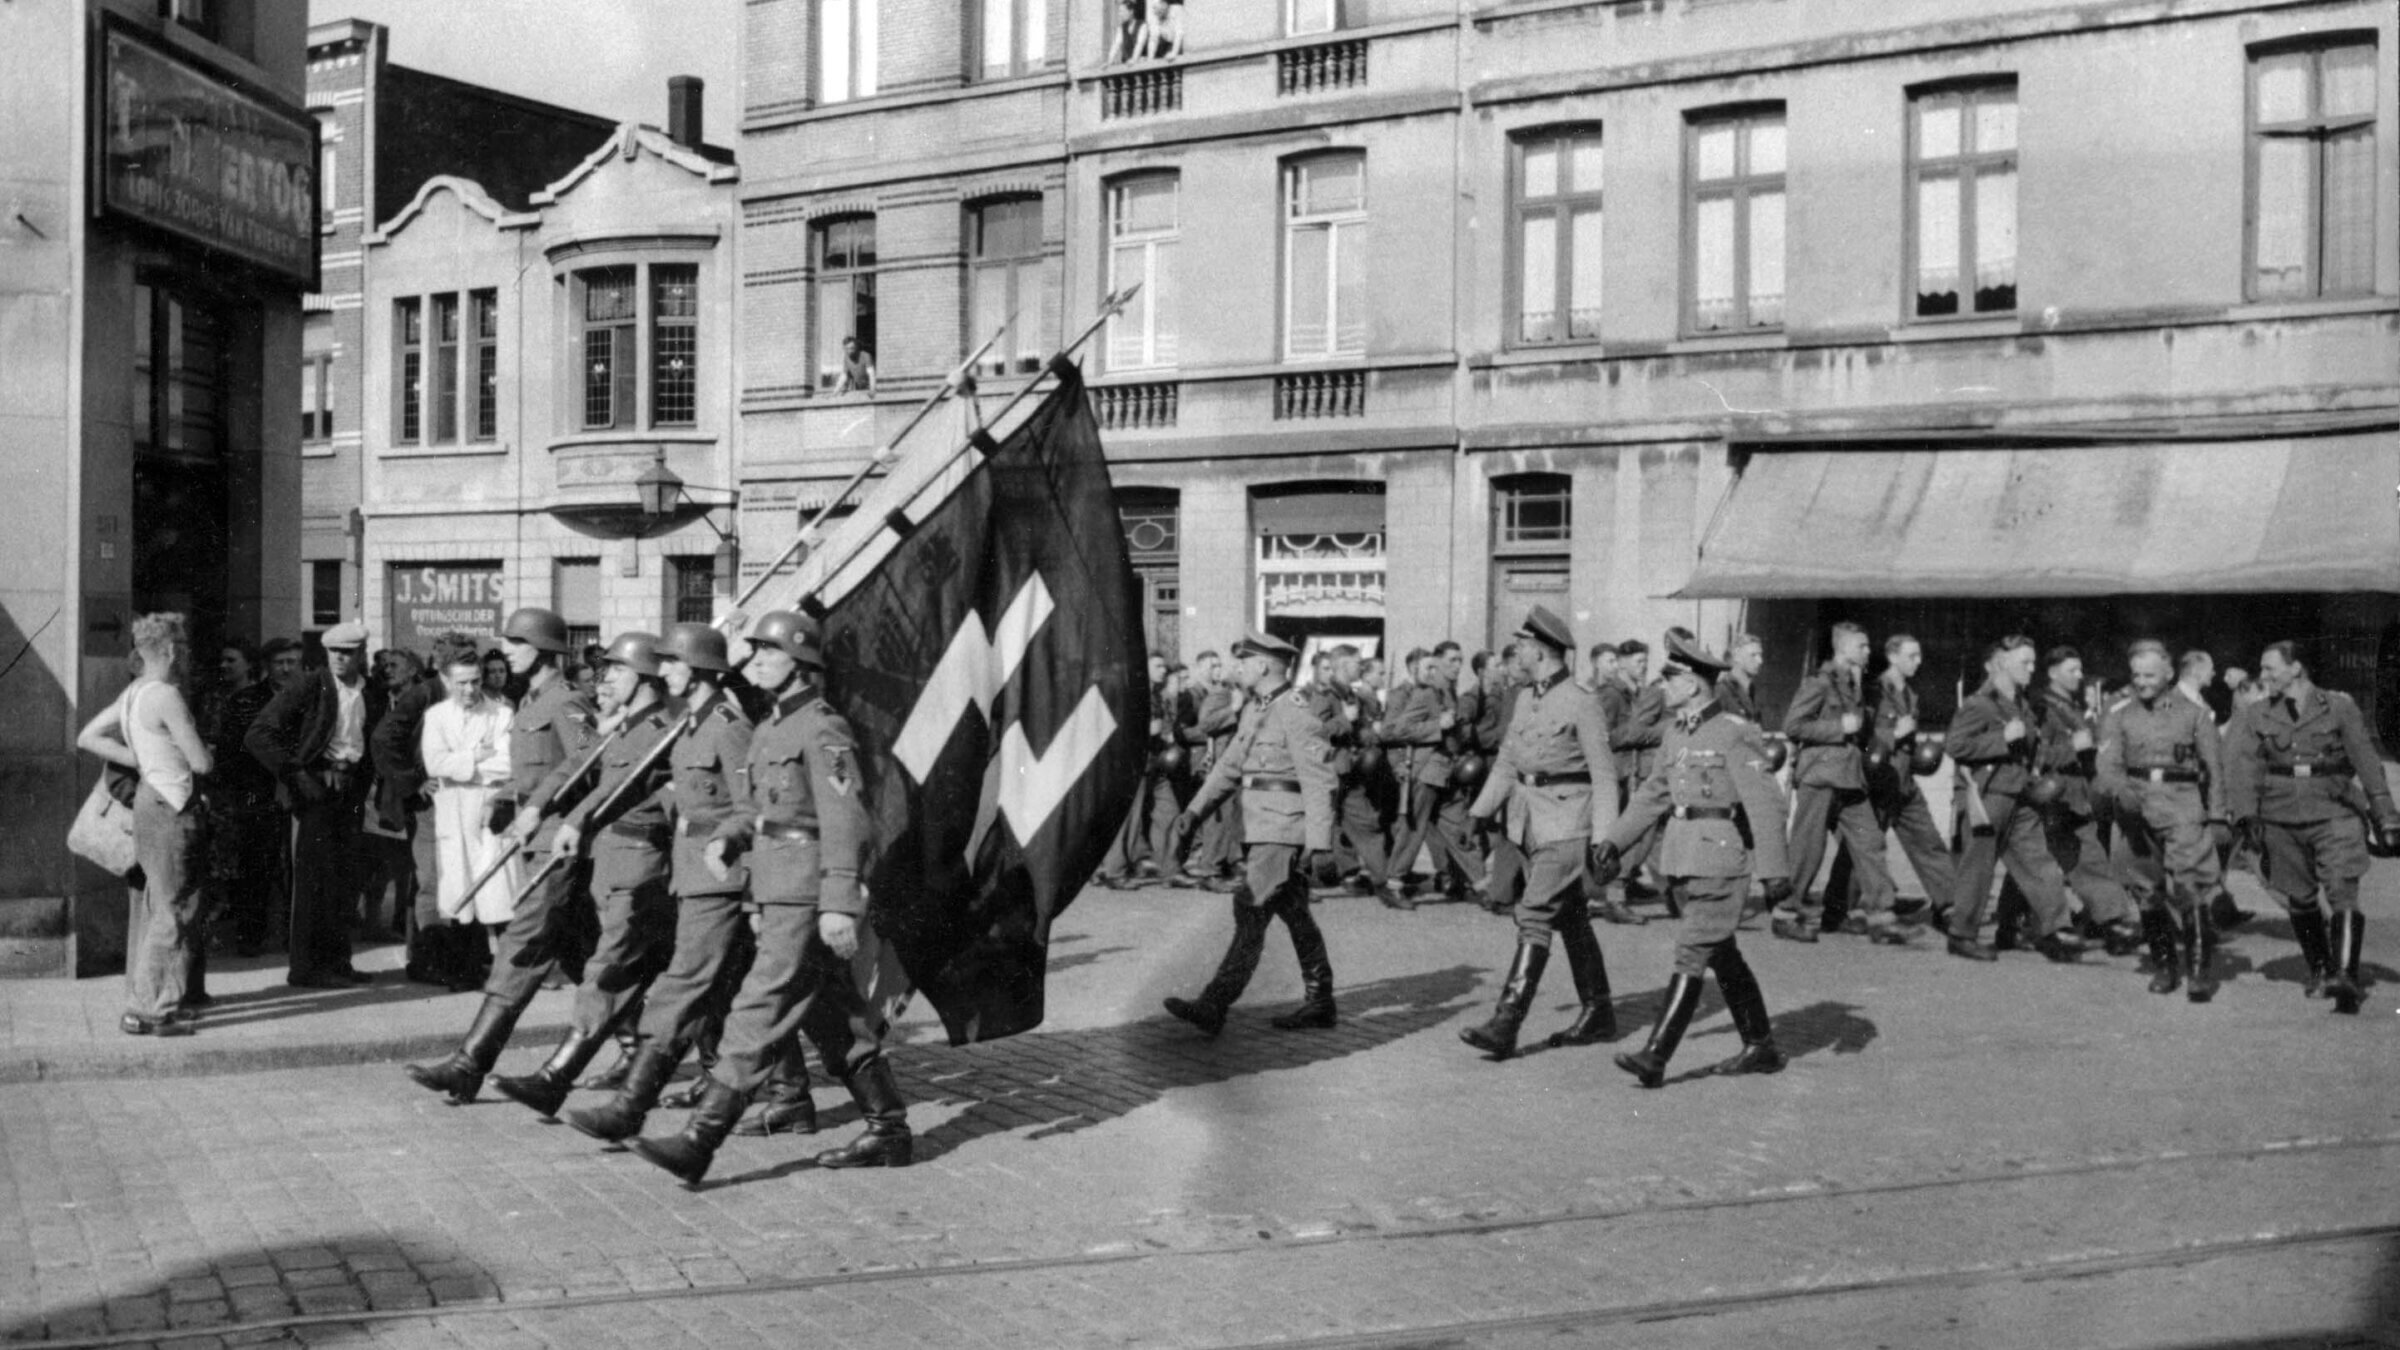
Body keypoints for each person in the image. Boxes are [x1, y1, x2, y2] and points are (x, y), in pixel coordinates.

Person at [629, 610, 907, 1184]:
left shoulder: (821, 727)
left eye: (766, 653)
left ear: (800, 665)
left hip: (807, 890)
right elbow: (756, 809)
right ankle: (889, 1129)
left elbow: (845, 818)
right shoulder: (768, 727)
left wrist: (837, 900)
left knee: (758, 1005)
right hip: (776, 885)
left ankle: (700, 1140)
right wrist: (732, 837)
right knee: (830, 1011)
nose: (753, 662)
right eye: (752, 652)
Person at [566, 622, 820, 1144]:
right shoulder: (689, 723)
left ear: (698, 668)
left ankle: (629, 1108)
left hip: (721, 875)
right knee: (731, 988)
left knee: (682, 984)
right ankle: (792, 1096)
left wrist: (726, 843)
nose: (662, 673)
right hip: (692, 869)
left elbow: (751, 806)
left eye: (672, 664)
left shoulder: (727, 725)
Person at [404, 607, 600, 1104]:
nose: (506, 651)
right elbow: (533, 771)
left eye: (516, 642)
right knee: (585, 955)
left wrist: (534, 805)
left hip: (559, 841)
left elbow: (588, 762)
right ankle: (647, 1050)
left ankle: (469, 1063)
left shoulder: (566, 700)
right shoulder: (531, 701)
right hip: (535, 839)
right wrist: (509, 796)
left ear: (543, 648)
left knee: (521, 943)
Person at [487, 631, 684, 1119]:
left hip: (644, 864)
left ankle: (557, 1078)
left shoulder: (662, 726)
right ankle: (784, 1090)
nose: (604, 679)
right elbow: (581, 772)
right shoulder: (625, 726)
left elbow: (632, 790)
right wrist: (540, 809)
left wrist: (576, 820)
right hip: (615, 862)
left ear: (642, 676)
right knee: (693, 983)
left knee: (612, 971)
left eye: (615, 670)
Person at [1595, 630, 1791, 1088]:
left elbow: (1765, 804)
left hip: (1721, 862)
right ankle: (1760, 1044)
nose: (1662, 686)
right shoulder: (1674, 735)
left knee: (1691, 952)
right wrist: (1613, 842)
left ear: (1692, 685)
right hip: (1682, 858)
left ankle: (1655, 1055)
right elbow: (1651, 796)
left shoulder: (1734, 733)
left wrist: (1775, 873)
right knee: (1721, 954)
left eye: (1670, 678)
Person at [1161, 631, 1341, 1035]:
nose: (1237, 668)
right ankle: (1321, 1000)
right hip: (1261, 828)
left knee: (1250, 910)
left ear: (1262, 666)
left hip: (1281, 830)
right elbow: (1228, 768)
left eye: (1243, 661)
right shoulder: (1254, 710)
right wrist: (1193, 812)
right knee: (1295, 913)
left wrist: (1320, 842)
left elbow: (1319, 781)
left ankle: (1214, 1003)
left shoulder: (1295, 711)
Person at [1461, 607, 1619, 1058]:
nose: (1519, 653)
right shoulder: (1526, 697)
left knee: (1532, 914)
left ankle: (1506, 1022)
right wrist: (1479, 813)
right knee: (1569, 917)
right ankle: (1599, 1011)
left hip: (1569, 823)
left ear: (1543, 651)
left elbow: (1605, 776)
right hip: (1529, 822)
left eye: (1525, 646)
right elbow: (1509, 761)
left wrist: (1605, 839)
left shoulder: (1581, 701)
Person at [2221, 640, 2399, 1015]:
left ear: (2296, 667)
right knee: (2299, 896)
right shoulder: (2258, 715)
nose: (2264, 676)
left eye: (2270, 669)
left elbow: (2366, 761)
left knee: (2342, 891)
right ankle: (2321, 968)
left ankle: (2346, 977)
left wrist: (2385, 814)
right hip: (2280, 817)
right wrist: (2246, 816)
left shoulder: (2339, 707)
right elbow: (2245, 769)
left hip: (2335, 810)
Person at [78, 613, 215, 1036]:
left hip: (148, 802)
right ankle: (146, 1010)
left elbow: (87, 737)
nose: (187, 656)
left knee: (164, 905)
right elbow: (201, 762)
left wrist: (140, 758)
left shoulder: (134, 693)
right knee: (172, 912)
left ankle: (161, 1002)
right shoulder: (168, 696)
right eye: (184, 648)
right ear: (171, 651)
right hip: (173, 805)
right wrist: (191, 750)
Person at [246, 621, 386, 989]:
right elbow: (260, 733)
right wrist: (296, 773)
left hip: (351, 790)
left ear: (361, 654)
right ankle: (306, 969)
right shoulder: (310, 685)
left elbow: (375, 741)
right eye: (334, 653)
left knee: (345, 879)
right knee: (313, 881)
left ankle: (338, 963)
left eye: (348, 653)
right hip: (316, 791)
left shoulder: (371, 692)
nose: (341, 659)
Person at [2096, 640, 2232, 1002]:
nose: (2141, 682)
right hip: (2135, 808)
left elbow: (2214, 769)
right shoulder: (2119, 713)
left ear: (2169, 674)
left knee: (2191, 886)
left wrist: (2218, 815)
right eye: (2136, 675)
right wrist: (2119, 789)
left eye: (2149, 675)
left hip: (2182, 805)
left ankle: (2199, 972)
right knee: (2146, 889)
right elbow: (2106, 765)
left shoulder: (2194, 713)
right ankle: (2165, 966)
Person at [1944, 635, 2083, 964]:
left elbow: (2036, 749)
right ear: (2003, 663)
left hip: (2020, 795)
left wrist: (2068, 751)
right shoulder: (1979, 704)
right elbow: (1955, 746)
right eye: (2026, 662)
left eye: (2034, 663)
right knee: (1978, 869)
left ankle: (2055, 930)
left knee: (2039, 863)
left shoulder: (2022, 703)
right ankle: (1961, 934)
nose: (2032, 669)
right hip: (1989, 796)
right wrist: (2000, 739)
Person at [1774, 623, 1902, 945]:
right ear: (1843, 648)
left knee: (1870, 841)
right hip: (1820, 777)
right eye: (1862, 646)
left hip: (1850, 779)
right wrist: (1837, 727)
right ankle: (1785, 914)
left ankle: (1882, 918)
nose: (1868, 651)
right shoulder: (1818, 684)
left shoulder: (1854, 684)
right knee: (1808, 850)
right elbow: (1793, 725)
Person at [2019, 646, 2141, 954]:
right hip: (2053, 796)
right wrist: (2073, 748)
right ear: (2052, 673)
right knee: (2039, 863)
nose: (2078, 676)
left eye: (2079, 670)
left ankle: (2111, 920)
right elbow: (2030, 752)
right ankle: (2020, 924)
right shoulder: (2041, 706)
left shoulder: (2068, 706)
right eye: (2071, 670)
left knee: (2089, 857)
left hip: (2076, 796)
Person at [418, 645, 515, 988]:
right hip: (452, 812)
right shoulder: (437, 717)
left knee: (496, 889)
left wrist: (460, 766)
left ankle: (506, 974)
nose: (470, 690)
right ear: (445, 680)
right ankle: (465, 970)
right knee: (460, 892)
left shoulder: (501, 714)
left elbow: (506, 763)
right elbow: (435, 764)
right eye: (461, 683)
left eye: (475, 681)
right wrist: (476, 755)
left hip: (487, 812)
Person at [1860, 634, 1959, 926]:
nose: (1918, 661)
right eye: (1912, 656)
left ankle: (1949, 904)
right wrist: (1895, 735)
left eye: (1919, 655)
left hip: (1904, 781)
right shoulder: (1875, 692)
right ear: (1893, 657)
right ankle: (1845, 904)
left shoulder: (1909, 694)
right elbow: (1863, 738)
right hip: (1880, 781)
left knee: (1928, 840)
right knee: (1865, 846)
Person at [1383, 647, 1488, 906]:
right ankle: (1393, 885)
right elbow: (1392, 730)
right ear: (1437, 664)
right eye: (1452, 661)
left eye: (1460, 661)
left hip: (1448, 772)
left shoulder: (1448, 693)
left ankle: (1482, 886)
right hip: (1427, 772)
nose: (1458, 666)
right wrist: (1436, 727)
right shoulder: (1427, 694)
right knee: (1414, 828)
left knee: (1456, 825)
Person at [202, 638, 281, 959]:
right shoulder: (213, 699)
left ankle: (255, 929)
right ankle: (232, 924)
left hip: (256, 789)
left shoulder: (262, 698)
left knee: (256, 862)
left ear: (250, 664)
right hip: (223, 788)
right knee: (227, 860)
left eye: (231, 660)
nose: (224, 666)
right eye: (222, 660)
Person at [1313, 645, 1398, 906]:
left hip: (1351, 772)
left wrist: (1372, 734)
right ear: (1341, 665)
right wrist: (1344, 721)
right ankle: (1287, 880)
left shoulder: (1352, 695)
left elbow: (1358, 731)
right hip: (1328, 772)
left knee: (1365, 823)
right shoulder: (1325, 696)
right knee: (1314, 829)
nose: (1360, 667)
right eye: (1356, 663)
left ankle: (1384, 882)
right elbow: (1311, 731)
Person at [361, 647, 429, 945]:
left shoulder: (423, 702)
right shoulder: (377, 700)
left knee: (410, 864)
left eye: (395, 665)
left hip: (413, 788)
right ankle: (372, 922)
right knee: (378, 859)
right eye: (385, 665)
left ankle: (408, 923)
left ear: (413, 670)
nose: (388, 670)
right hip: (378, 791)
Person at [1716, 633, 1766, 724]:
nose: (1760, 661)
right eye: (1753, 655)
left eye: (1760, 655)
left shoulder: (1751, 690)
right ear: (1737, 655)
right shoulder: (1722, 690)